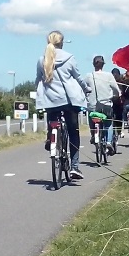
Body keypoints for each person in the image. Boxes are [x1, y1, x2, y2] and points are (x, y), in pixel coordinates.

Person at [35, 30, 90, 179]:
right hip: (68, 101)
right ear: (62, 42)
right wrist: (86, 89)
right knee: (73, 131)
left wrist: (38, 93)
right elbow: (78, 77)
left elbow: (38, 80)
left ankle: (50, 137)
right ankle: (75, 167)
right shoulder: (69, 58)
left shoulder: (42, 60)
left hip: (50, 100)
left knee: (52, 119)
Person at [83, 56, 120, 154]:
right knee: (108, 123)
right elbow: (116, 89)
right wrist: (116, 95)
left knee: (92, 120)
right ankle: (108, 142)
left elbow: (83, 88)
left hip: (93, 106)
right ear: (103, 65)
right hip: (106, 105)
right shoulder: (108, 76)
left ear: (93, 64)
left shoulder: (88, 76)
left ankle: (93, 135)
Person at [111, 68, 125, 141]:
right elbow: (124, 93)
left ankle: (111, 133)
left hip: (111, 102)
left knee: (110, 118)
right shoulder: (121, 82)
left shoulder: (110, 81)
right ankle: (119, 132)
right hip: (119, 103)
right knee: (119, 118)